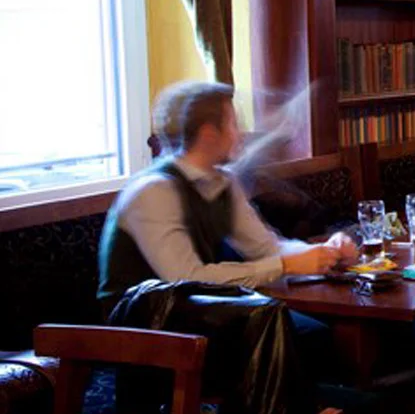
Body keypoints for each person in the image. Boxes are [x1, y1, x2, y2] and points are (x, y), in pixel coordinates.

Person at [98, 81, 355, 306]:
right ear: (209, 134)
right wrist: (285, 266)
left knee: (314, 331)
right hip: (141, 330)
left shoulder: (224, 182)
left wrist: (325, 254)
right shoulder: (154, 191)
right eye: (233, 123)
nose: (240, 134)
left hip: (198, 313)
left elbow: (266, 249)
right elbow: (186, 278)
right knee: (308, 333)